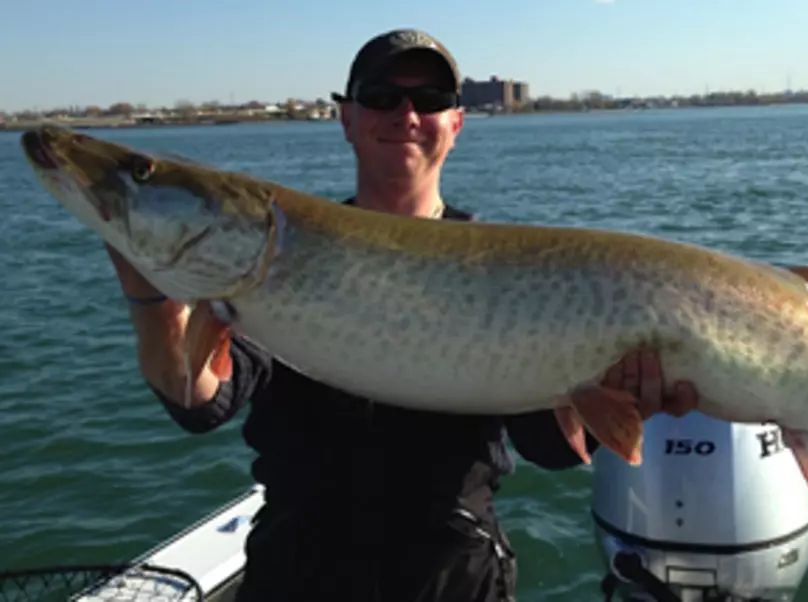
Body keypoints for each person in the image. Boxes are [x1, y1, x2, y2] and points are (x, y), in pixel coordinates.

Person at [104, 28, 700, 602]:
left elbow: (546, 444)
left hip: (451, 578)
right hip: (296, 572)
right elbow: (202, 398)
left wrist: (620, 399)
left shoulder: (505, 265)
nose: (406, 114)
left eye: (431, 99)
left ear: (456, 123)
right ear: (346, 118)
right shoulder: (280, 255)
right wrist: (150, 297)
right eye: (382, 97)